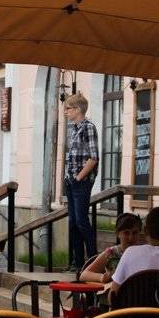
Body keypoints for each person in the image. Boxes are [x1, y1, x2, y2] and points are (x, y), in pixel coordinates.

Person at [63, 92, 99, 272]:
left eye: (68, 108)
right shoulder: (74, 129)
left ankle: (93, 261)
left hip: (81, 182)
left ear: (77, 109)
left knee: (81, 221)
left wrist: (78, 178)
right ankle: (77, 263)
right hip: (71, 182)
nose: (65, 112)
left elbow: (93, 158)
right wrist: (69, 178)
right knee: (73, 223)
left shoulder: (88, 128)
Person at [79, 212, 142, 283]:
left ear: (140, 233)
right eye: (126, 233)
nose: (130, 237)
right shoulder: (111, 253)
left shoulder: (144, 253)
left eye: (135, 233)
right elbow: (83, 275)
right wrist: (102, 277)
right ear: (118, 233)